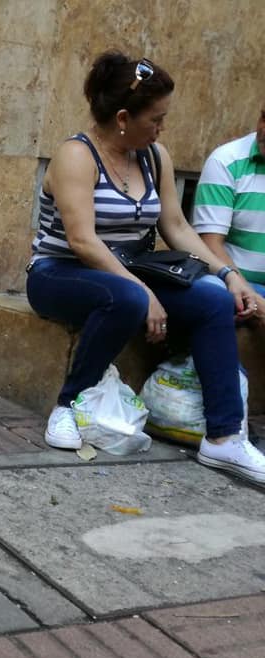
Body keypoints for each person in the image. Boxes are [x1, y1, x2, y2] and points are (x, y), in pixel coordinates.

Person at [25, 50, 265, 484]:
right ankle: (68, 406)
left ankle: (225, 437)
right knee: (128, 298)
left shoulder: (154, 156)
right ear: (123, 118)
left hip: (131, 272)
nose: (161, 127)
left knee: (213, 299)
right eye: (156, 119)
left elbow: (177, 227)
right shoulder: (76, 155)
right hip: (58, 273)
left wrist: (228, 275)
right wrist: (144, 292)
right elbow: (82, 242)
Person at [193, 103, 265, 323]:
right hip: (237, 283)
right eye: (264, 117)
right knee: (213, 292)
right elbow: (209, 244)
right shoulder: (226, 161)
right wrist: (250, 295)